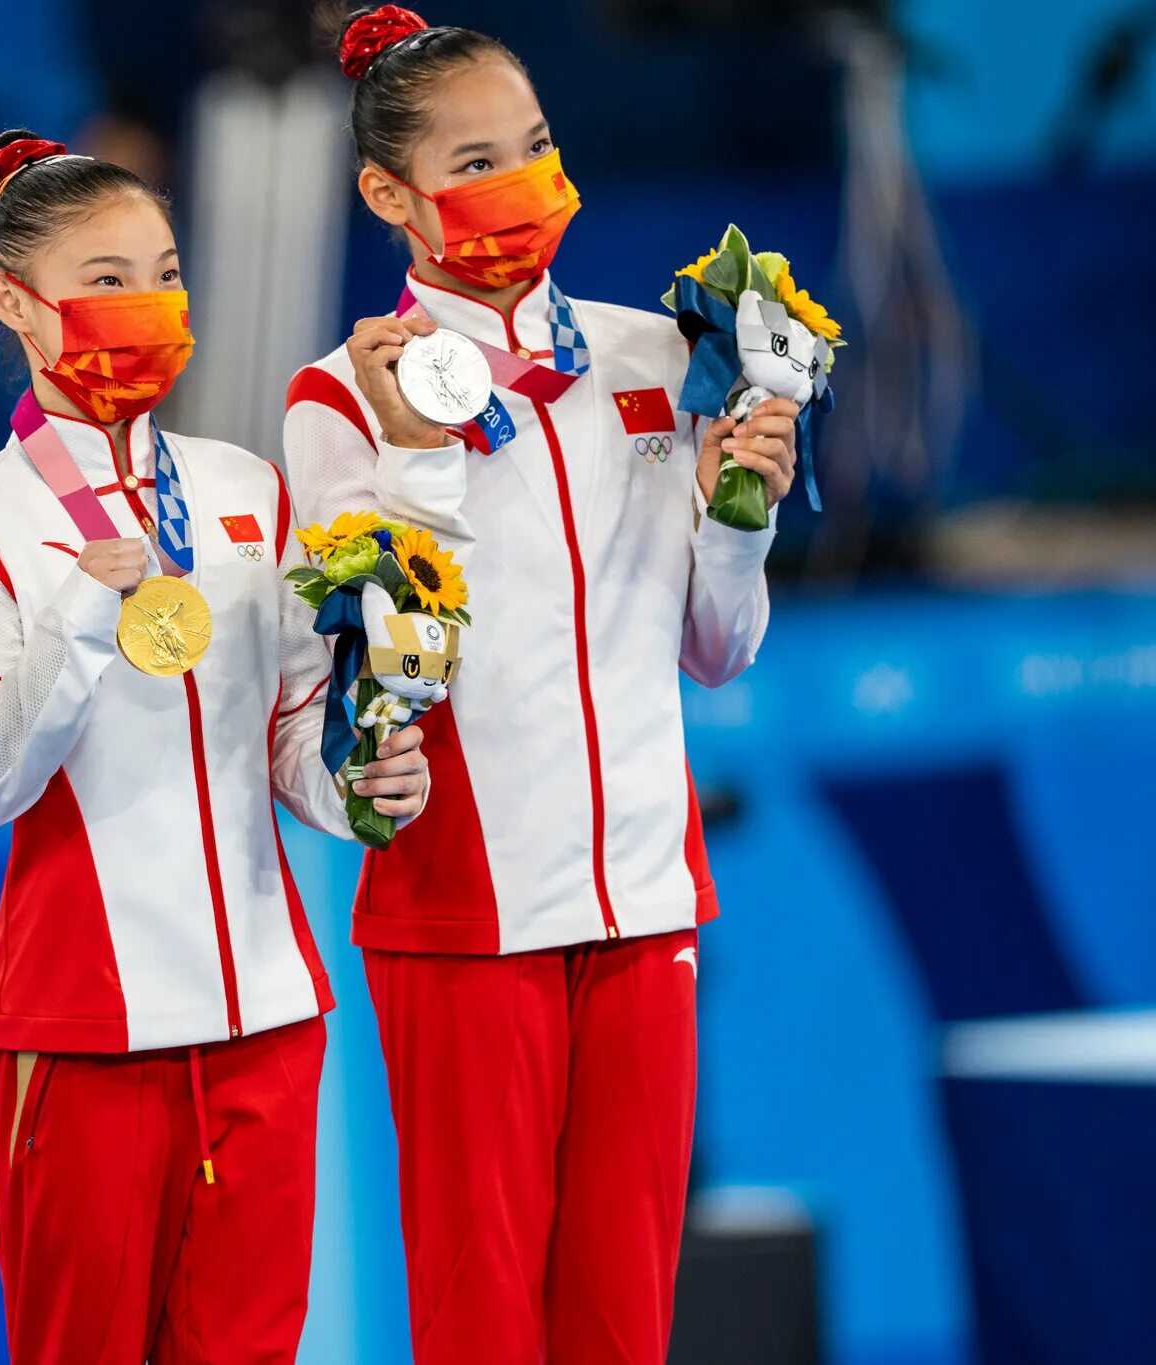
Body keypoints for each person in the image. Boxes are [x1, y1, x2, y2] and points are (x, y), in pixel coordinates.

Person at [283, 8, 801, 1362]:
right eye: (473, 163)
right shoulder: (340, 397)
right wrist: (419, 454)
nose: (519, 182)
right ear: (388, 197)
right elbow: (396, 665)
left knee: (625, 1318)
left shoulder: (650, 357)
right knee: (482, 1319)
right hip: (464, 909)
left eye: (537, 146)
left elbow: (716, 649)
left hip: (643, 897)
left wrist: (741, 514)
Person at [0, 130, 431, 1365]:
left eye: (162, 271)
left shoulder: (246, 486)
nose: (143, 306)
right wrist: (86, 611)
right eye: (103, 280)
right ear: (13, 304)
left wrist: (361, 784)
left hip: (264, 1016)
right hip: (83, 1030)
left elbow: (292, 731)